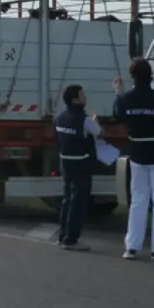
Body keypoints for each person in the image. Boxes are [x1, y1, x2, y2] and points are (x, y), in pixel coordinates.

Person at [113, 58, 154, 261]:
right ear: (150, 75)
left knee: (138, 199)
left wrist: (118, 91)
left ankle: (132, 246)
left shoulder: (125, 100)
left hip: (137, 153)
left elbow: (118, 114)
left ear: (132, 77)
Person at [54, 84, 101, 251]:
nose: (85, 97)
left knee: (67, 199)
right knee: (79, 202)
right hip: (82, 163)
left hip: (65, 162)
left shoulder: (60, 118)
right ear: (75, 100)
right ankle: (71, 239)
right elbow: (97, 132)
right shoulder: (85, 120)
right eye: (82, 94)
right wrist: (95, 120)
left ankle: (62, 236)